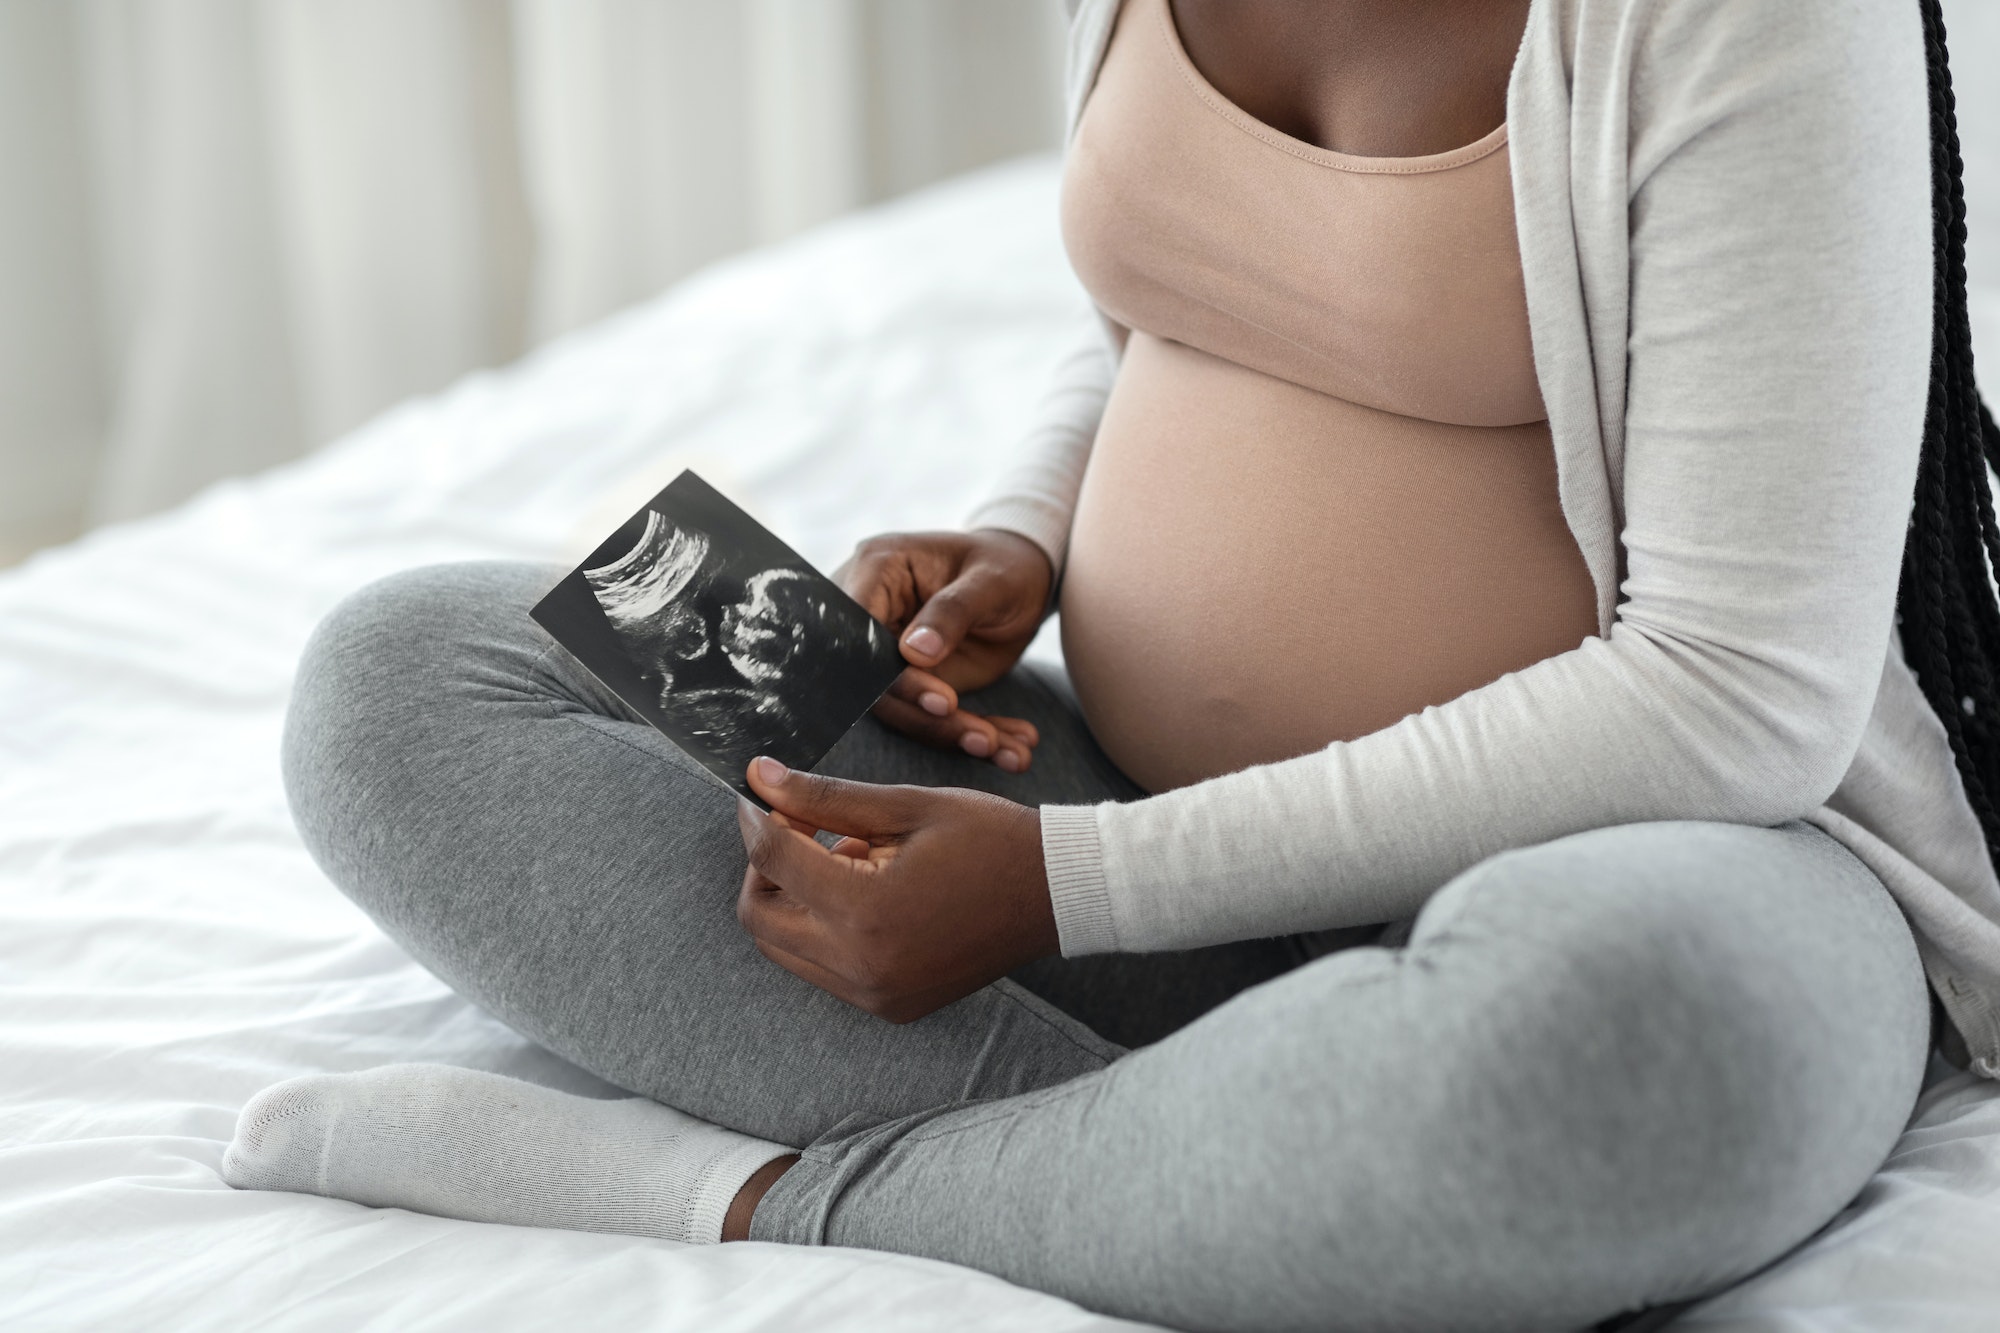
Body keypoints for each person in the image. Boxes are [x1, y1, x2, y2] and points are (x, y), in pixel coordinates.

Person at [221, 0, 2000, 1328]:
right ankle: (1236, 1166)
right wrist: (1022, 532)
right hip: (1095, 789)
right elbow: (1160, 310)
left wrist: (1073, 889)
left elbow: (1738, 693)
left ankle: (758, 1194)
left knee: (1633, 1054)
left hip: (1656, 859)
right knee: (414, 676)